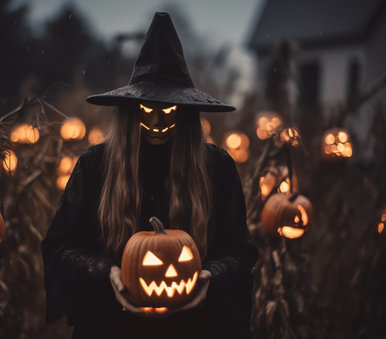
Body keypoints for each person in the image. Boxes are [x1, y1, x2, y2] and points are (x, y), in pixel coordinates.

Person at [41, 12, 258, 339]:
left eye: (168, 111)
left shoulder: (217, 168)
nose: (157, 122)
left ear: (185, 114)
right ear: (131, 111)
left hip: (195, 329)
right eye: (147, 109)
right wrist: (108, 273)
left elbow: (241, 253)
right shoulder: (96, 165)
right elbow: (59, 248)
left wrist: (211, 276)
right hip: (109, 327)